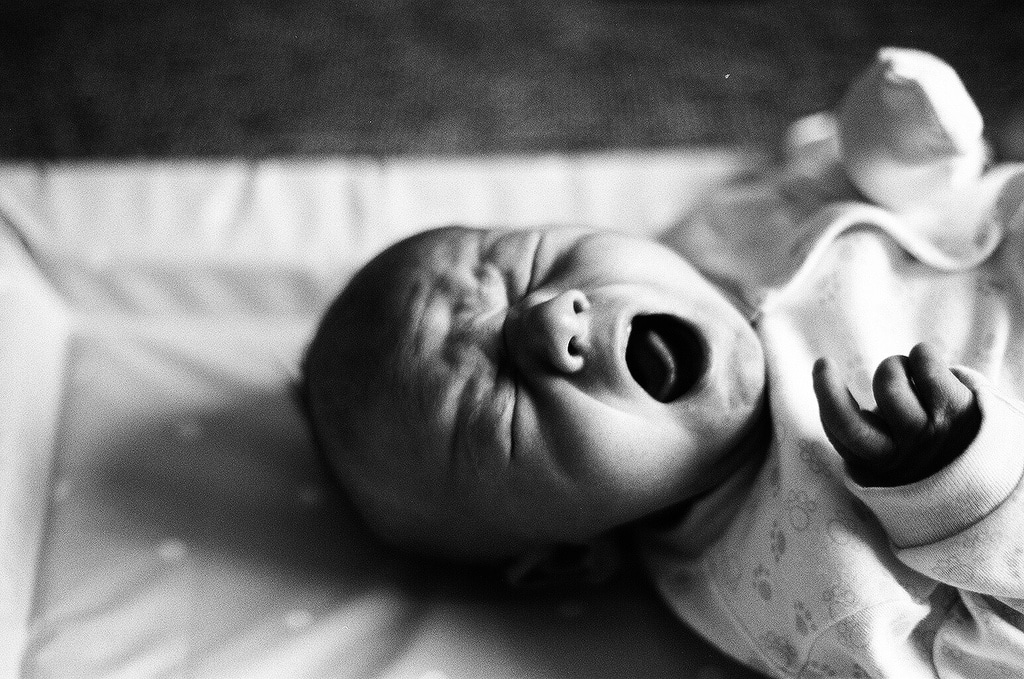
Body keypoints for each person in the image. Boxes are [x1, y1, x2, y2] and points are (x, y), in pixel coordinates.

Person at [300, 48, 1024, 677]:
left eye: (521, 266)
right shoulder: (789, 591)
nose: (552, 319)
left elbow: (809, 175)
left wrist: (886, 155)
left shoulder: (704, 239)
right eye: (497, 407)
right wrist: (968, 497)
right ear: (571, 557)